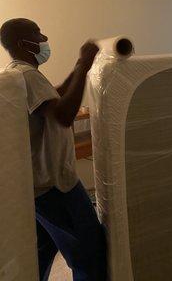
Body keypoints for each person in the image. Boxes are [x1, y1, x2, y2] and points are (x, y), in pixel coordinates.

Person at [0, 18, 107, 281]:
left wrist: (79, 67)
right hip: (57, 187)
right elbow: (64, 114)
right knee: (90, 254)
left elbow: (55, 95)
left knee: (39, 254)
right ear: (23, 42)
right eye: (37, 34)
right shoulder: (28, 75)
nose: (43, 38)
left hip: (37, 187)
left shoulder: (19, 73)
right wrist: (83, 65)